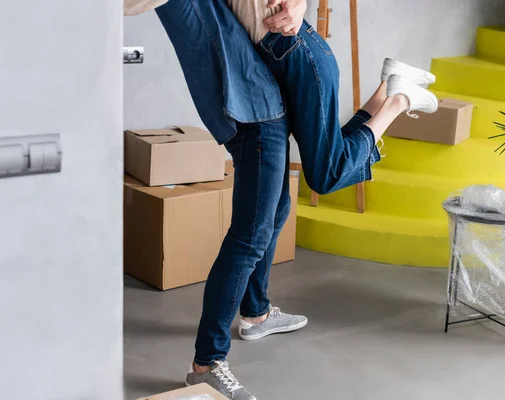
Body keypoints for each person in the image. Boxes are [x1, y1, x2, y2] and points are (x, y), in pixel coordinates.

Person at [125, 1, 437, 399]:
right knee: (275, 210)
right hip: (256, 96)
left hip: (257, 106)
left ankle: (207, 363)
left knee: (255, 231)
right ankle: (254, 314)